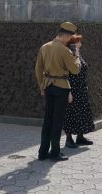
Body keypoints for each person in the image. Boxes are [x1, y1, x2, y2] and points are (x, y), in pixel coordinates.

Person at [35, 21, 81, 162]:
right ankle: (55, 152)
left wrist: (42, 86)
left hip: (48, 86)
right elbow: (75, 70)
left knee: (47, 119)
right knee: (57, 121)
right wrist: (77, 56)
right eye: (70, 37)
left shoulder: (45, 47)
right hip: (61, 87)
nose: (70, 39)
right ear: (66, 36)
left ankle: (43, 152)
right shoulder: (64, 50)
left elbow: (38, 69)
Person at [63, 37, 95, 148]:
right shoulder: (70, 54)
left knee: (82, 113)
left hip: (81, 89)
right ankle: (68, 139)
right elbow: (67, 73)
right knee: (70, 113)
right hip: (72, 89)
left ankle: (80, 137)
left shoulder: (78, 54)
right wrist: (68, 91)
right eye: (78, 41)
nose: (80, 43)